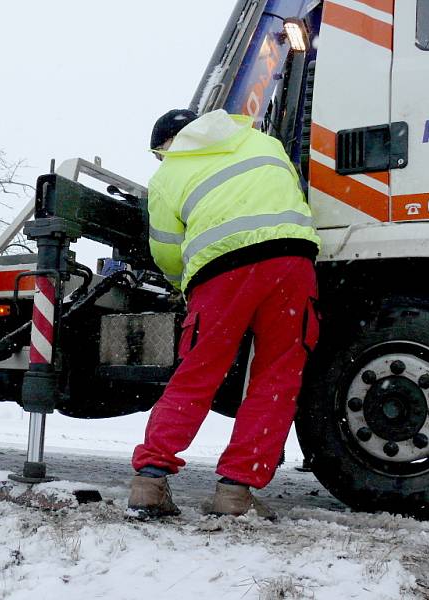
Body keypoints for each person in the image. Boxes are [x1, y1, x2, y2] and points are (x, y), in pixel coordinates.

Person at [127, 108, 321, 519]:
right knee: (277, 378)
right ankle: (236, 490)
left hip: (221, 273)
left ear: (166, 145)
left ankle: (150, 478)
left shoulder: (167, 176)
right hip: (292, 261)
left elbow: (166, 251)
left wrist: (185, 283)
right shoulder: (265, 144)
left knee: (198, 371)